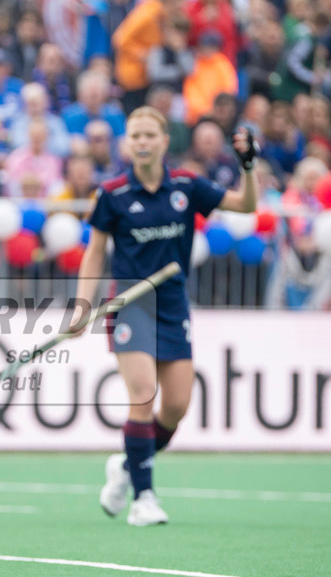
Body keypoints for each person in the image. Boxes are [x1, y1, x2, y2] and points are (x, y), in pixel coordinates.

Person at [72, 107, 257, 526]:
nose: (140, 142)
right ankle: (144, 497)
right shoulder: (113, 193)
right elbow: (95, 251)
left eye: (149, 135)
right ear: (127, 142)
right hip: (131, 306)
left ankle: (126, 465)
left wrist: (248, 167)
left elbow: (246, 205)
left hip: (173, 307)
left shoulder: (187, 186)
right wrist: (84, 304)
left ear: (162, 141)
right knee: (143, 394)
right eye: (134, 135)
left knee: (175, 407)